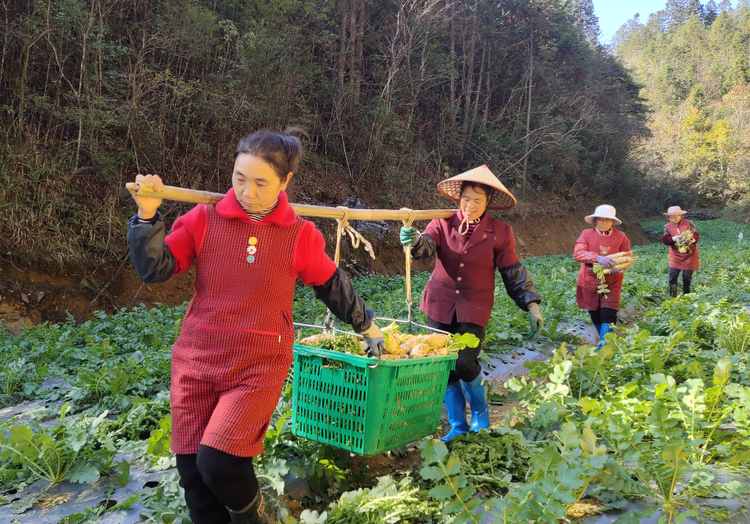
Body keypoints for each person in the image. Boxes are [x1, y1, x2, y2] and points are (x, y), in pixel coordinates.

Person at [126, 129, 385, 524]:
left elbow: (331, 284)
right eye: (239, 178)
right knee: (194, 478)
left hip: (258, 365)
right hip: (197, 360)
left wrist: (366, 325)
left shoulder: (298, 235)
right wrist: (146, 214)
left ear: (285, 182)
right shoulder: (203, 219)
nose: (247, 191)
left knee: (218, 461)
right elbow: (154, 268)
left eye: (261, 182)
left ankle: (255, 518)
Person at [399, 165, 543, 442]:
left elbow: (512, 270)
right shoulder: (441, 223)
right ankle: (457, 425)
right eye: (466, 198)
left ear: (487, 202)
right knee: (444, 365)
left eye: (478, 200)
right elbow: (426, 245)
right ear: (458, 198)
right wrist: (416, 241)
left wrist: (531, 304)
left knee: (464, 363)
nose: (471, 205)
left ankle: (480, 414)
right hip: (439, 302)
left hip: (474, 306)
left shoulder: (500, 232)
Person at [573, 205, 630, 348]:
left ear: (612, 222)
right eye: (600, 220)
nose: (604, 223)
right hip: (590, 280)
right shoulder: (586, 235)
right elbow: (578, 253)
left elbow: (627, 256)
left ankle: (603, 348)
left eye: (607, 220)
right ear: (595, 221)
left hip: (612, 281)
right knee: (595, 314)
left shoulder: (620, 237)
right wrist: (597, 258)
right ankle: (605, 340)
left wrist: (619, 268)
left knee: (608, 314)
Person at [661, 206, 699, 297]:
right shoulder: (667, 227)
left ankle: (686, 294)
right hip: (675, 254)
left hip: (689, 254)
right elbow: (665, 240)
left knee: (687, 276)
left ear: (680, 216)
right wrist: (673, 238)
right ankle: (672, 295)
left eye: (675, 217)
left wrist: (692, 240)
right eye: (671, 217)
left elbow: (696, 235)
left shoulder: (689, 223)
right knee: (673, 274)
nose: (672, 219)